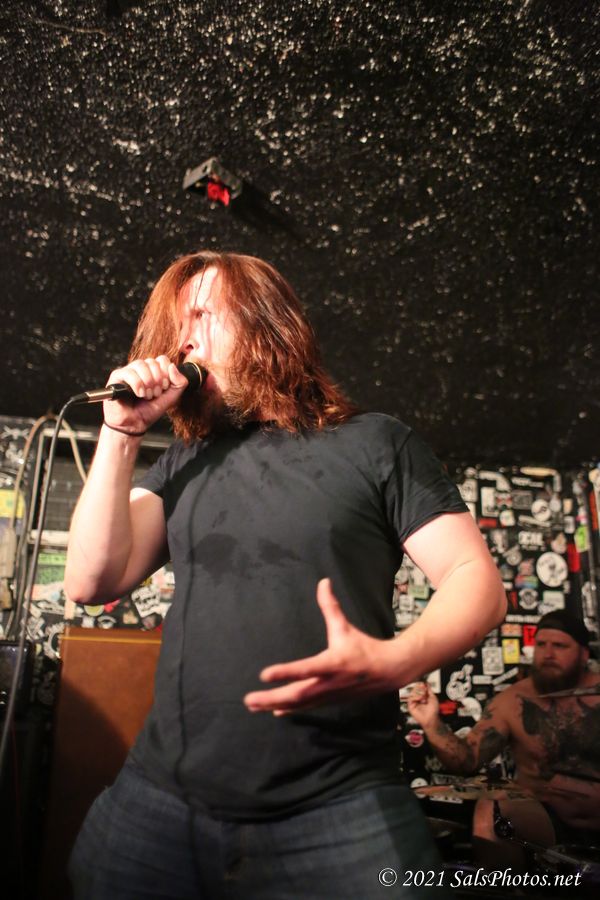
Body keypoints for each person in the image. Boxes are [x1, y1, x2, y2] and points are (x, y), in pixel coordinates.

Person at [64, 250, 506, 899]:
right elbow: (89, 581)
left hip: (340, 805)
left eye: (201, 315)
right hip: (160, 797)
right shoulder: (185, 460)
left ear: (265, 320)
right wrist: (121, 434)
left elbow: (475, 578)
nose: (182, 339)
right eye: (176, 326)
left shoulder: (377, 442)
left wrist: (395, 660)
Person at [407, 610, 600, 869]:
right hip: (547, 820)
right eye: (541, 644)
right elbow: (466, 760)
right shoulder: (512, 701)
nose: (548, 653)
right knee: (492, 808)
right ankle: (507, 888)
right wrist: (431, 723)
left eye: (560, 646)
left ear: (584, 654)